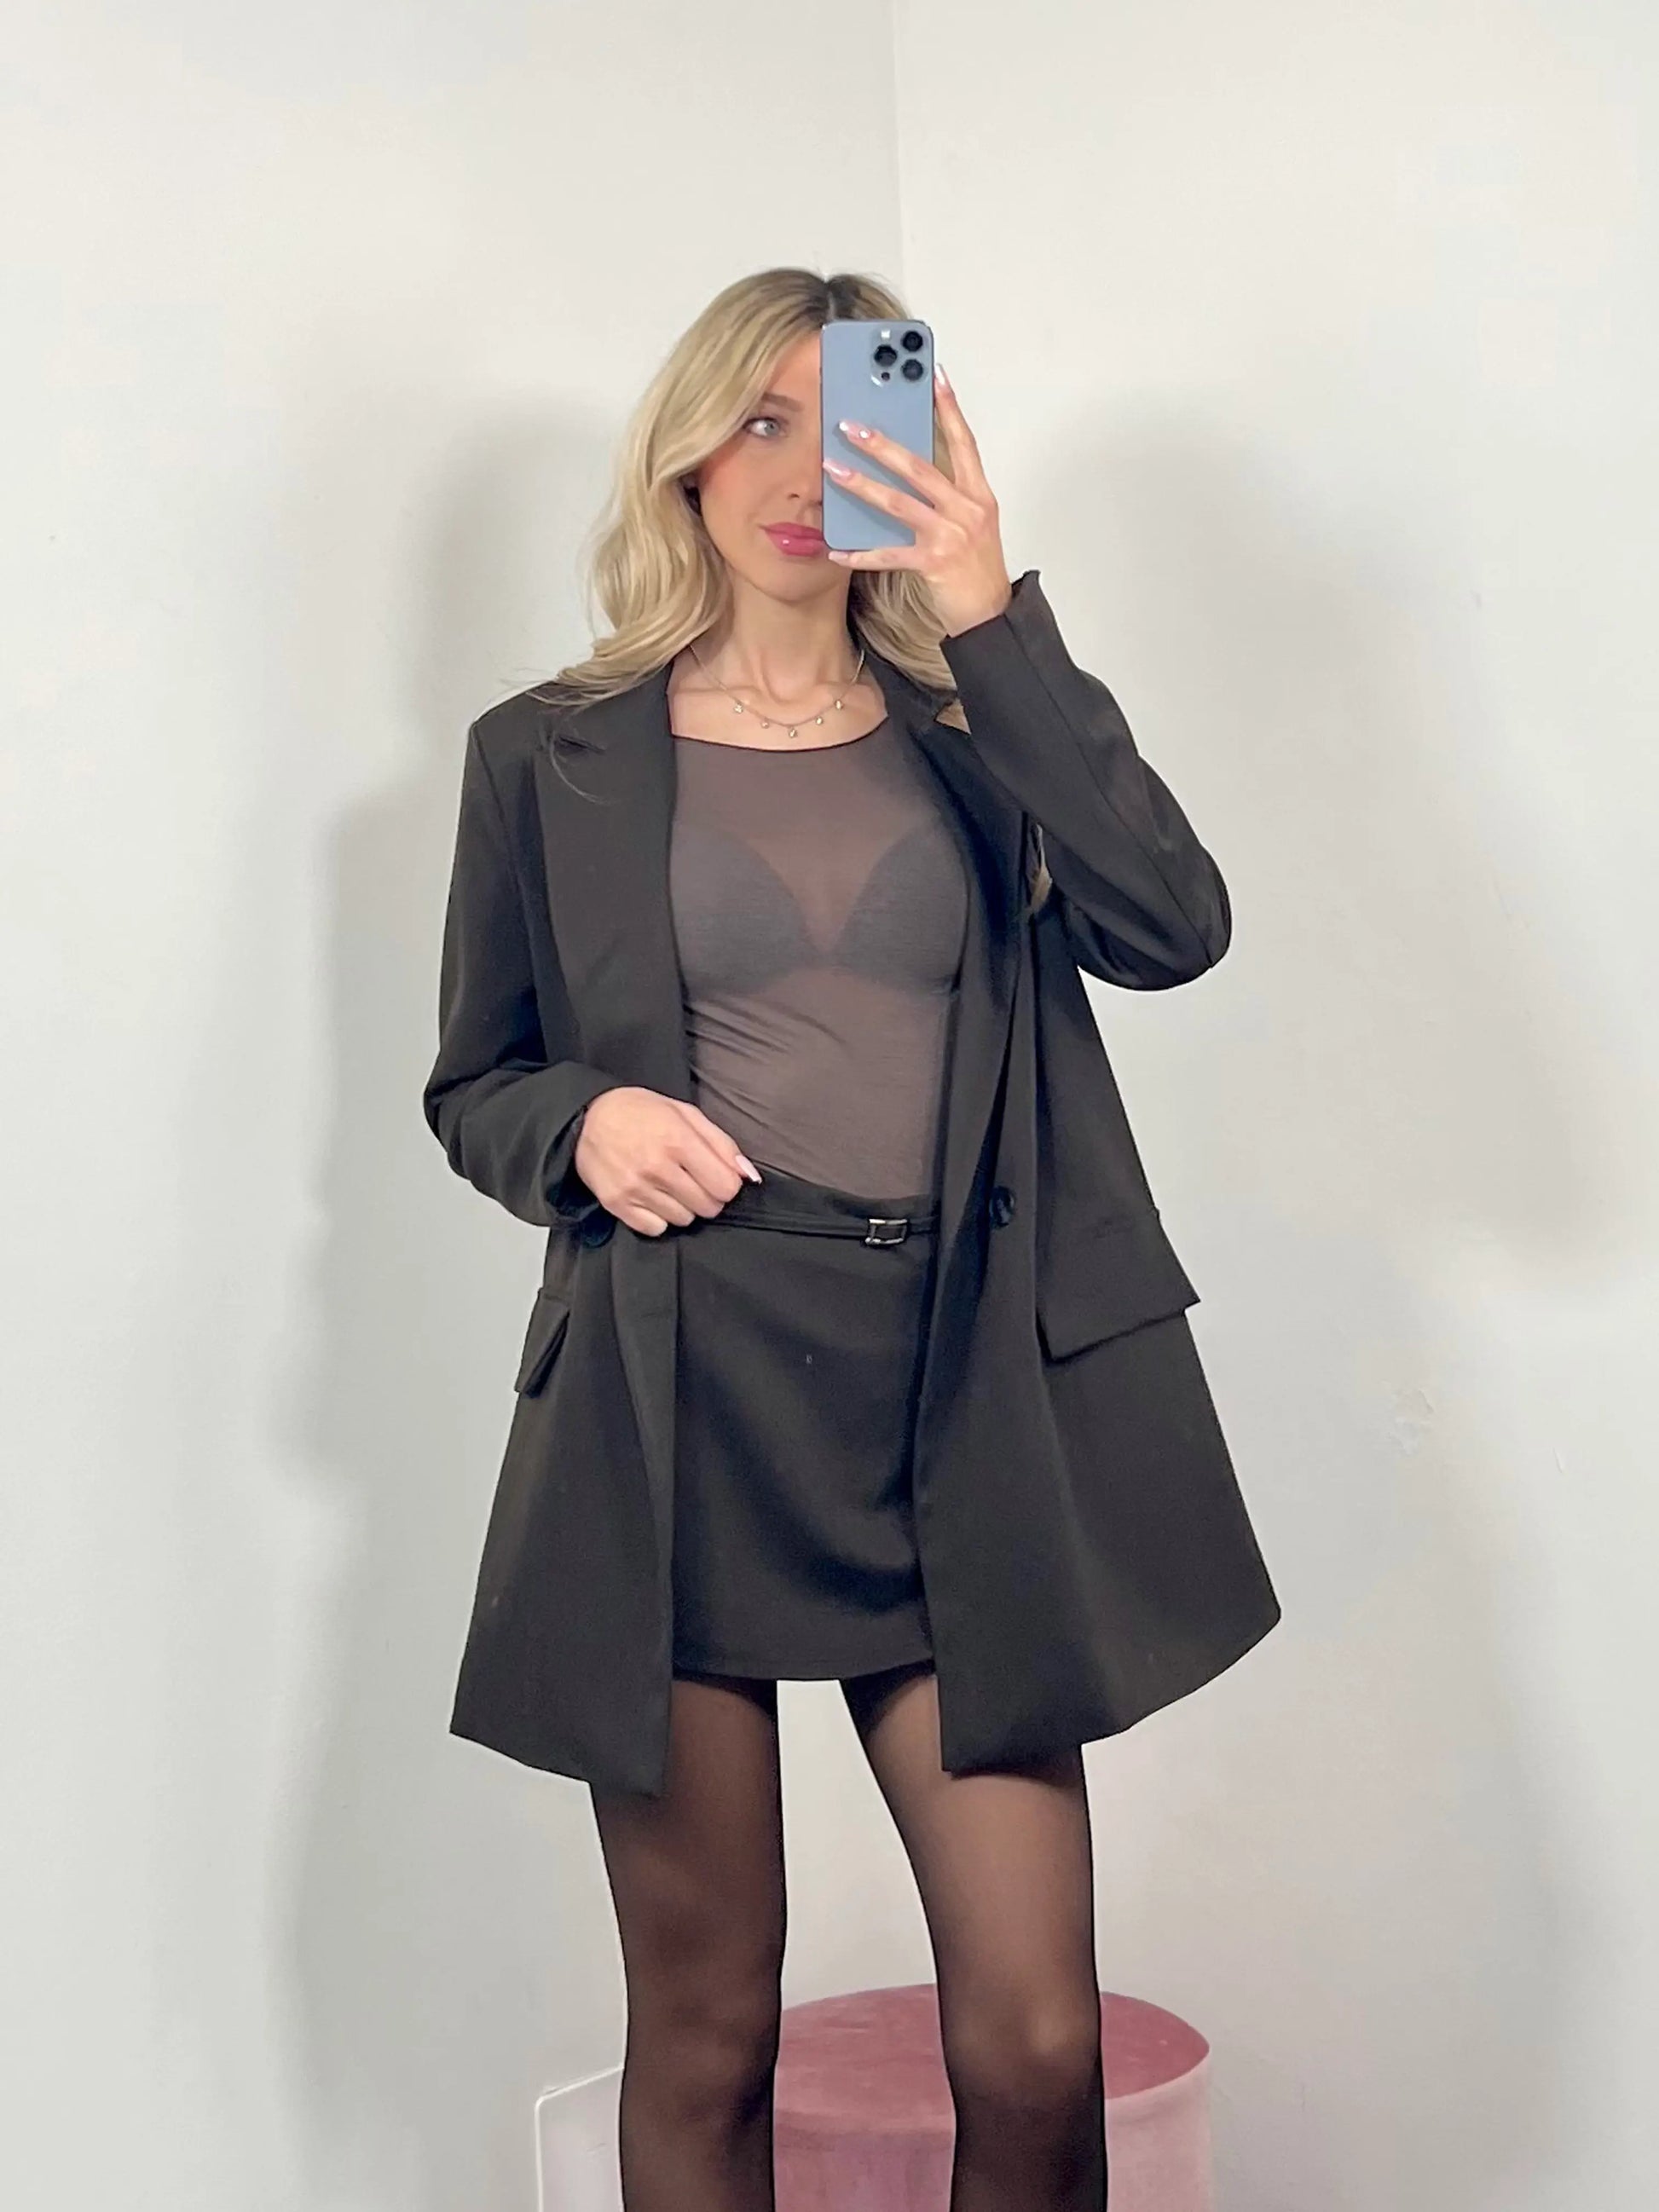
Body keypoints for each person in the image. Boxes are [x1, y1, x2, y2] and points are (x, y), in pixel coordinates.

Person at [422, 266, 1281, 2212]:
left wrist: (987, 611)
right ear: (686, 456)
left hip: (956, 1393)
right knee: (708, 2029)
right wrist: (583, 1123)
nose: (804, 472)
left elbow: (1171, 926)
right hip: (678, 1394)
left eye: (852, 421)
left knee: (1034, 2040)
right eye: (761, 421)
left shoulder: (982, 722)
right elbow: (477, 1080)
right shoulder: (545, 751)